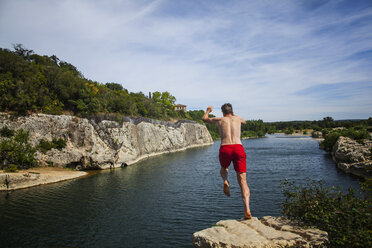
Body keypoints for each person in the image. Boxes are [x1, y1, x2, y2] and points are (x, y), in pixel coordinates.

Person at [202, 103, 252, 219]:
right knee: (243, 182)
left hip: (225, 147)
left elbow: (204, 119)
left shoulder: (219, 120)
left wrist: (208, 111)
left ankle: (225, 180)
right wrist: (235, 116)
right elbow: (245, 122)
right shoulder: (238, 118)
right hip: (238, 148)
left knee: (224, 169)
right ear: (232, 111)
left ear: (223, 112)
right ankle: (247, 210)